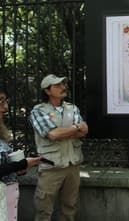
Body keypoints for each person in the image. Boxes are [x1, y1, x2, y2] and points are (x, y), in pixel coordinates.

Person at [29, 74, 88, 221]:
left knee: (69, 209)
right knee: (44, 211)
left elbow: (84, 131)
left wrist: (65, 131)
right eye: (57, 85)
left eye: (63, 84)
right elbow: (53, 135)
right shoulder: (38, 111)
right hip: (51, 168)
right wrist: (75, 128)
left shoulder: (72, 108)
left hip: (72, 166)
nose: (63, 87)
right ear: (47, 91)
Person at [0, 87, 41, 220]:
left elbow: (5, 166)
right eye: (0, 101)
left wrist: (20, 168)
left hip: (8, 195)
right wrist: (22, 163)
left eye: (5, 101)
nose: (5, 107)